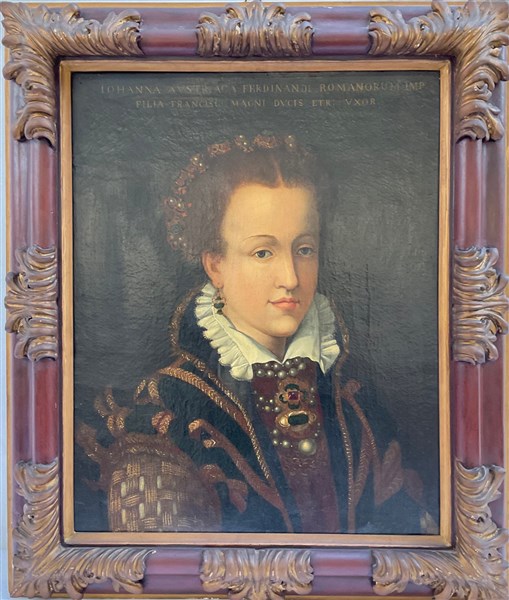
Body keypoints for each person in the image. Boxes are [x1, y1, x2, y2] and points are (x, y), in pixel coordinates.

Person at [77, 134, 432, 534]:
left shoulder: (356, 402)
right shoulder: (167, 409)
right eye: (263, 252)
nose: (290, 278)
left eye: (304, 249)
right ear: (216, 265)